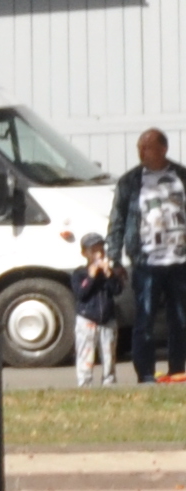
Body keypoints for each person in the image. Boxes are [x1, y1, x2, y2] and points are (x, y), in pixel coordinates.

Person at [104, 125, 186, 383]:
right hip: (146, 261)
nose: (141, 151)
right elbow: (117, 221)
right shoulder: (130, 181)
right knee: (145, 320)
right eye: (139, 147)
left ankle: (177, 371)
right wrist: (114, 258)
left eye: (147, 146)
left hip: (179, 261)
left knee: (180, 321)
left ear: (163, 149)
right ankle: (146, 374)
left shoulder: (180, 176)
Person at [77, 234, 129, 387]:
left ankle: (109, 381)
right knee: (86, 353)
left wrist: (109, 274)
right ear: (85, 254)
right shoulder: (80, 273)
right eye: (94, 251)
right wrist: (91, 277)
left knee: (109, 354)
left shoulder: (109, 273)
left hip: (107, 319)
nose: (99, 254)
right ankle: (85, 382)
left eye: (101, 250)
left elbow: (117, 290)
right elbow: (81, 293)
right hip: (87, 319)